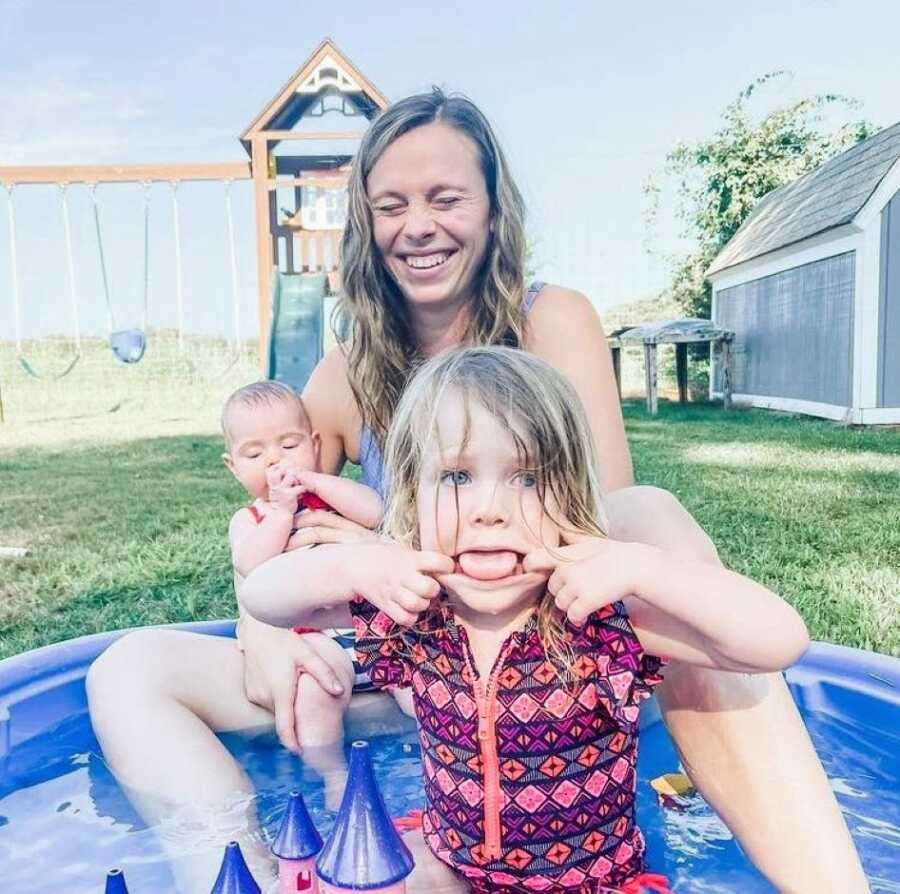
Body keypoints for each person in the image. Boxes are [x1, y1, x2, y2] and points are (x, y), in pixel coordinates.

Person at [87, 88, 870, 892]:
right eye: (391, 205)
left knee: (652, 518)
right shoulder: (347, 372)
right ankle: (242, 872)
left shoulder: (551, 321)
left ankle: (827, 882)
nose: (417, 225)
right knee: (130, 670)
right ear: (367, 226)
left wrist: (404, 546)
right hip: (404, 665)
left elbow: (603, 524)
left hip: (547, 662)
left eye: (445, 198)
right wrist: (271, 629)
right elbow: (276, 520)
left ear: (494, 211)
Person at [241, 346, 811, 893]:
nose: (491, 509)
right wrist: (357, 562)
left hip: (589, 882)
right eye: (457, 477)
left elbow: (777, 641)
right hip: (453, 863)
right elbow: (268, 597)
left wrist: (645, 568)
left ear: (573, 499)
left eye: (530, 479)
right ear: (411, 499)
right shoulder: (414, 604)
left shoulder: (601, 618)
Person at [221, 379, 392, 807]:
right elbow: (251, 565)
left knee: (424, 685)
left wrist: (317, 481)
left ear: (315, 445)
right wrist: (281, 511)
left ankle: (437, 759)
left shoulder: (333, 497)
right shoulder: (251, 519)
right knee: (317, 693)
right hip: (312, 637)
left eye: (290, 445)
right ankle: (334, 776)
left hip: (373, 624)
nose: (275, 459)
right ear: (233, 466)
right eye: (255, 453)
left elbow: (377, 512)